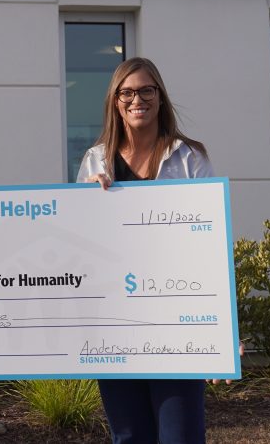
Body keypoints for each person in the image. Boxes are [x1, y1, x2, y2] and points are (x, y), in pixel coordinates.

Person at [77, 56, 212, 444]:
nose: (138, 99)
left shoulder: (189, 158)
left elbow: (208, 248)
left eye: (147, 90)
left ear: (160, 97)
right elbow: (82, 247)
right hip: (117, 323)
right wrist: (85, 202)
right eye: (128, 92)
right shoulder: (95, 160)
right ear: (115, 102)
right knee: (130, 436)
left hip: (174, 320)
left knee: (180, 436)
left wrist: (219, 329)